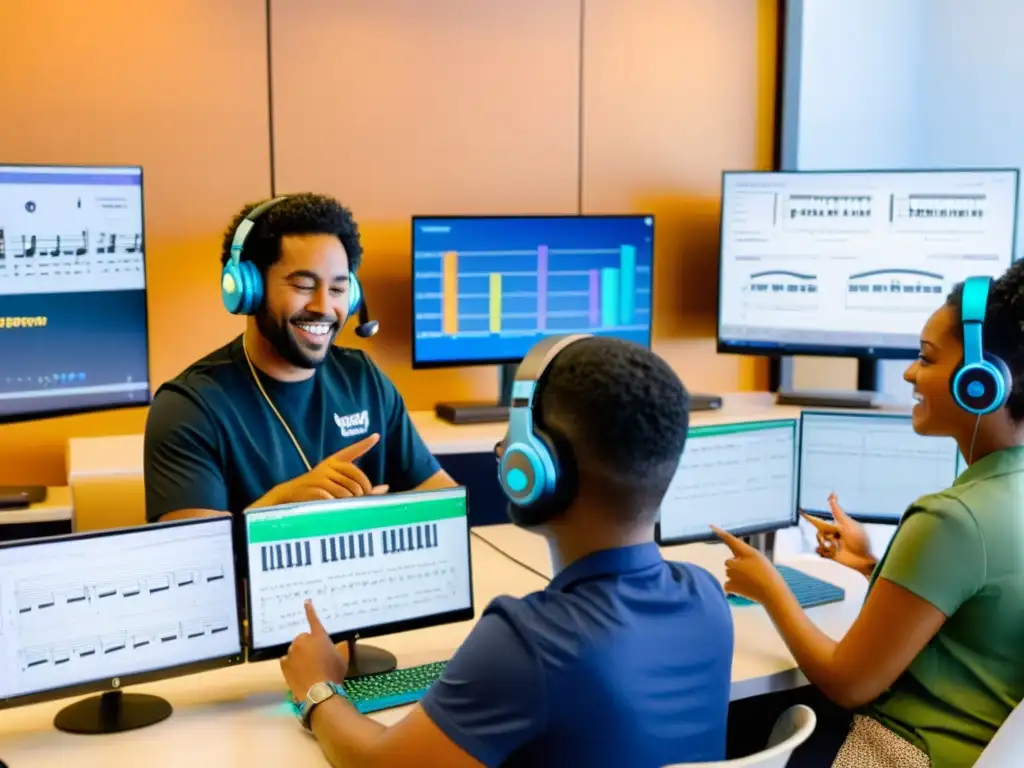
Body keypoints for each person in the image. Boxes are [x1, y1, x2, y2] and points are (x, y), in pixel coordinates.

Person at [279, 335, 735, 768]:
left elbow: (379, 764)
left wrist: (317, 687)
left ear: (533, 467)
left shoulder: (529, 641)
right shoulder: (708, 598)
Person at [716, 261, 1024, 768]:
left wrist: (770, 586)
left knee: (738, 723)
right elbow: (978, 614)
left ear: (980, 382)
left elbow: (848, 683)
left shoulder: (952, 520)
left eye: (925, 358)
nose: (909, 372)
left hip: (907, 751)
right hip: (985, 749)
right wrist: (870, 565)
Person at [144, 193, 455, 526]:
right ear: (249, 290)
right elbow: (199, 563)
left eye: (337, 290)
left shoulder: (363, 379)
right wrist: (279, 507)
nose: (323, 306)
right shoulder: (190, 408)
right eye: (304, 285)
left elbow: (446, 504)